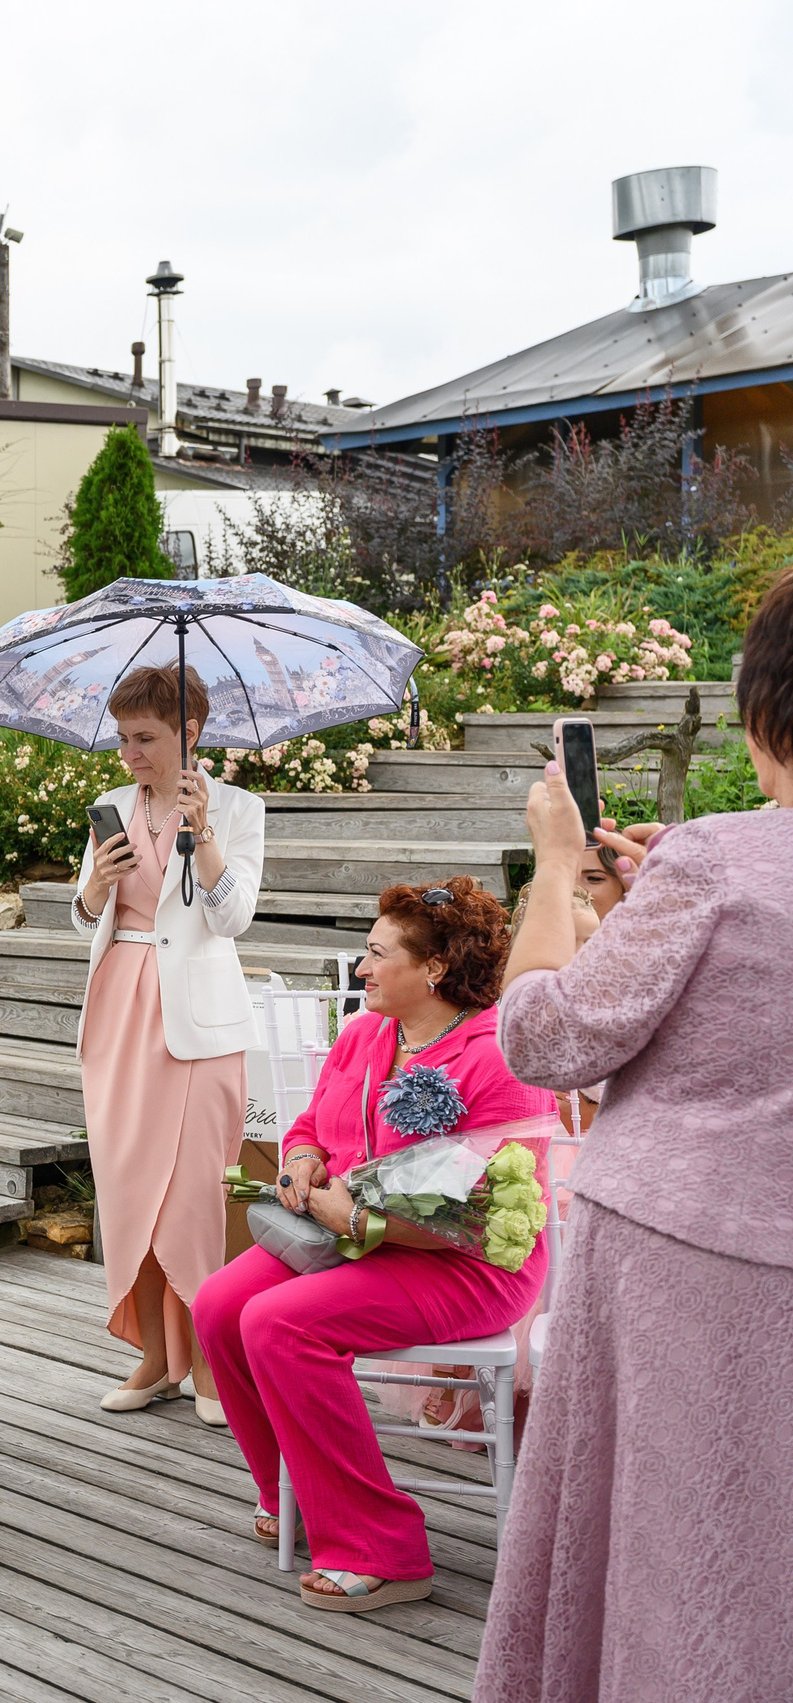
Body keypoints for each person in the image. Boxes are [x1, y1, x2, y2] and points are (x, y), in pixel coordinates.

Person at [475, 571, 793, 1702]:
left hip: (680, 1258)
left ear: (765, 714)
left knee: (672, 1548)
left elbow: (543, 1035)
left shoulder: (715, 858)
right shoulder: (706, 866)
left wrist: (557, 869)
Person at [193, 877, 555, 1614]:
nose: (361, 969)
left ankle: (381, 1546)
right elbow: (310, 1128)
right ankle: (287, 1488)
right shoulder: (363, 1034)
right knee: (220, 1302)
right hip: (348, 1237)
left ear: (434, 969)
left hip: (465, 1263)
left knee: (279, 1323)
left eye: (375, 953)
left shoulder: (498, 1058)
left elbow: (499, 1211)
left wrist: (364, 1222)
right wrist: (299, 1163)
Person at [69, 664, 264, 1423]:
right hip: (119, 1008)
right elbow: (85, 919)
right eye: (122, 738)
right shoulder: (112, 808)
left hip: (199, 1025)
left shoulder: (240, 809)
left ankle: (213, 1364)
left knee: (193, 1197)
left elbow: (234, 916)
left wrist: (203, 833)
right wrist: (93, 888)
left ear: (190, 733)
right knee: (125, 1193)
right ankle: (154, 1354)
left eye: (144, 738)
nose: (129, 754)